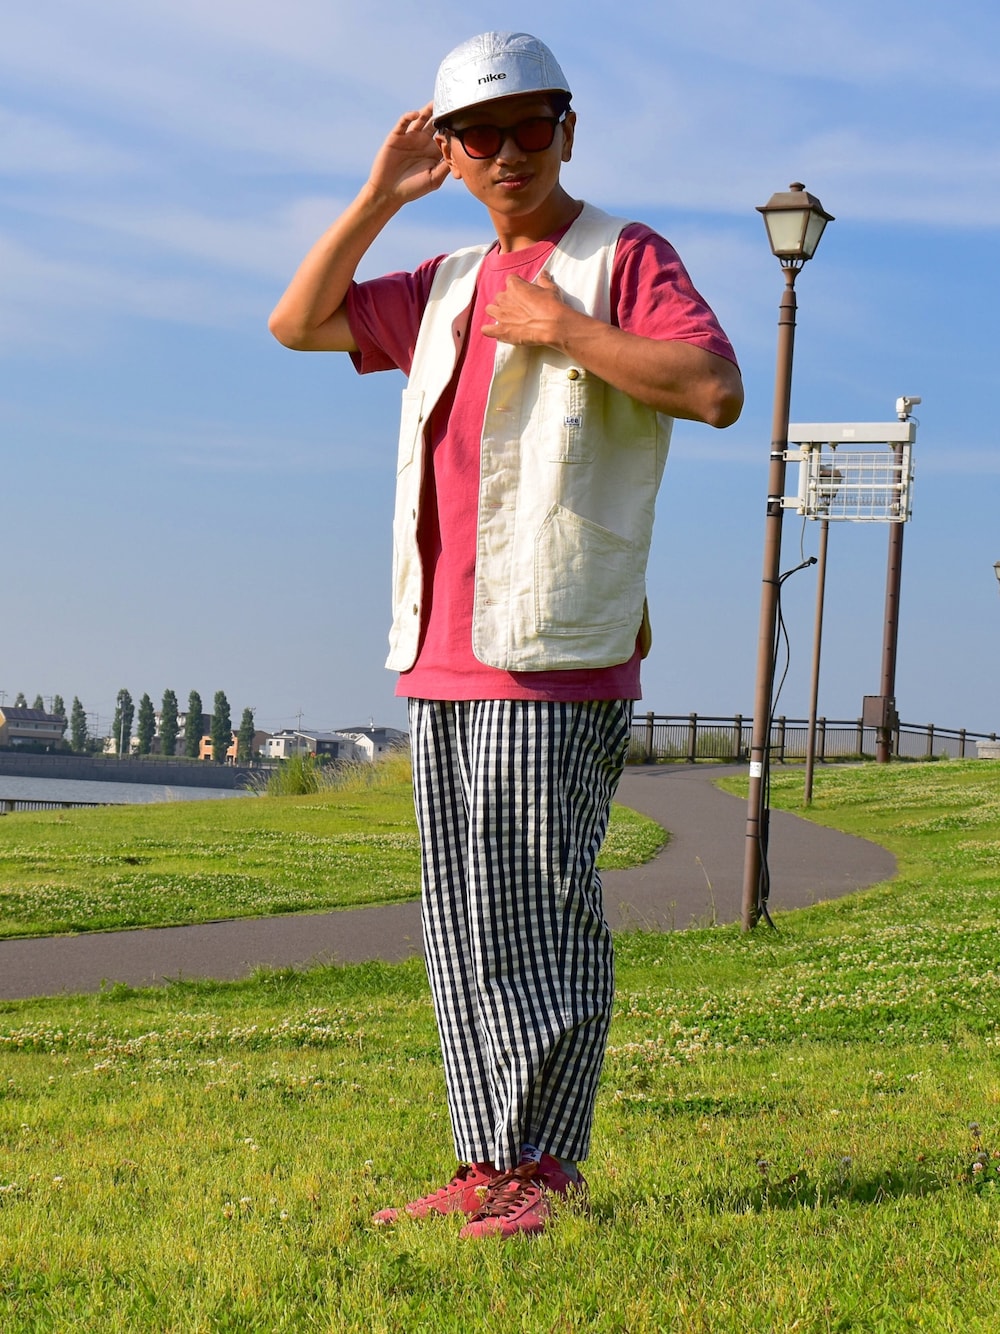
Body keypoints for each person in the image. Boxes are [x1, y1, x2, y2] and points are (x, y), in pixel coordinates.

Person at [269, 31, 743, 1239]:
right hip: (440, 650)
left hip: (559, 644)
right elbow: (297, 321)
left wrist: (565, 329)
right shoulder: (440, 284)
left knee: (539, 910)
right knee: (464, 921)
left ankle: (546, 1164)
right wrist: (379, 196)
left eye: (532, 126)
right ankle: (485, 1160)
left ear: (568, 131)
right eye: (478, 134)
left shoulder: (621, 257)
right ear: (450, 150)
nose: (509, 152)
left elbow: (712, 387)